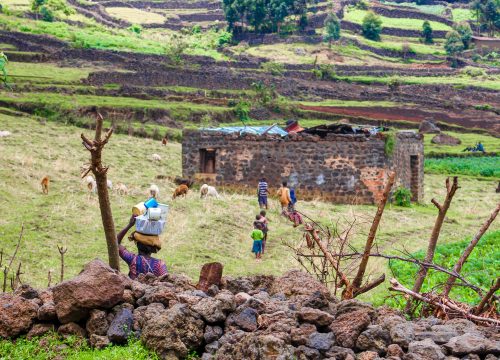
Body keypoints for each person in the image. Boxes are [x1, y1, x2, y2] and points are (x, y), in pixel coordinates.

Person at [117, 215, 167, 279]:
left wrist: (129, 225)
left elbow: (115, 244)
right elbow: (166, 281)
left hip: (134, 288)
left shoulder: (132, 259)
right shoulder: (160, 265)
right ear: (153, 248)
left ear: (137, 244)